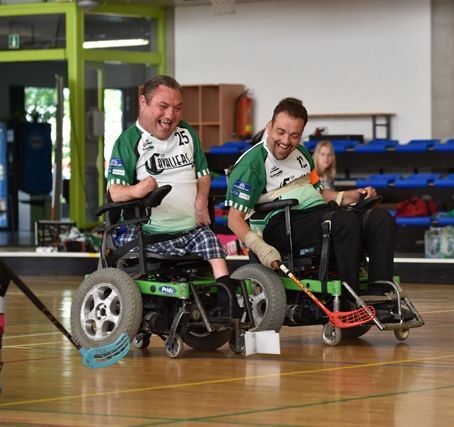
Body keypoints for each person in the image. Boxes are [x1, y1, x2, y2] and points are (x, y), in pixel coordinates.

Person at [225, 97, 399, 313]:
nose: (286, 141)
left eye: (294, 135)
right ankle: (348, 301)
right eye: (280, 132)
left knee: (380, 219)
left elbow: (319, 193)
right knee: (343, 221)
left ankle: (380, 296)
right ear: (269, 126)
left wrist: (352, 195)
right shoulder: (252, 163)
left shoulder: (304, 155)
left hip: (319, 216)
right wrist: (261, 249)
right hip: (281, 225)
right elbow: (234, 219)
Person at [106, 75, 239, 317]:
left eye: (177, 108)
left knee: (213, 247)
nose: (170, 115)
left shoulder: (186, 133)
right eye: (163, 106)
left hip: (190, 229)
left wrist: (201, 201)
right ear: (143, 103)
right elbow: (114, 192)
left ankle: (227, 301)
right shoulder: (128, 142)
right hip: (150, 233)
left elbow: (203, 174)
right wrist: (137, 190)